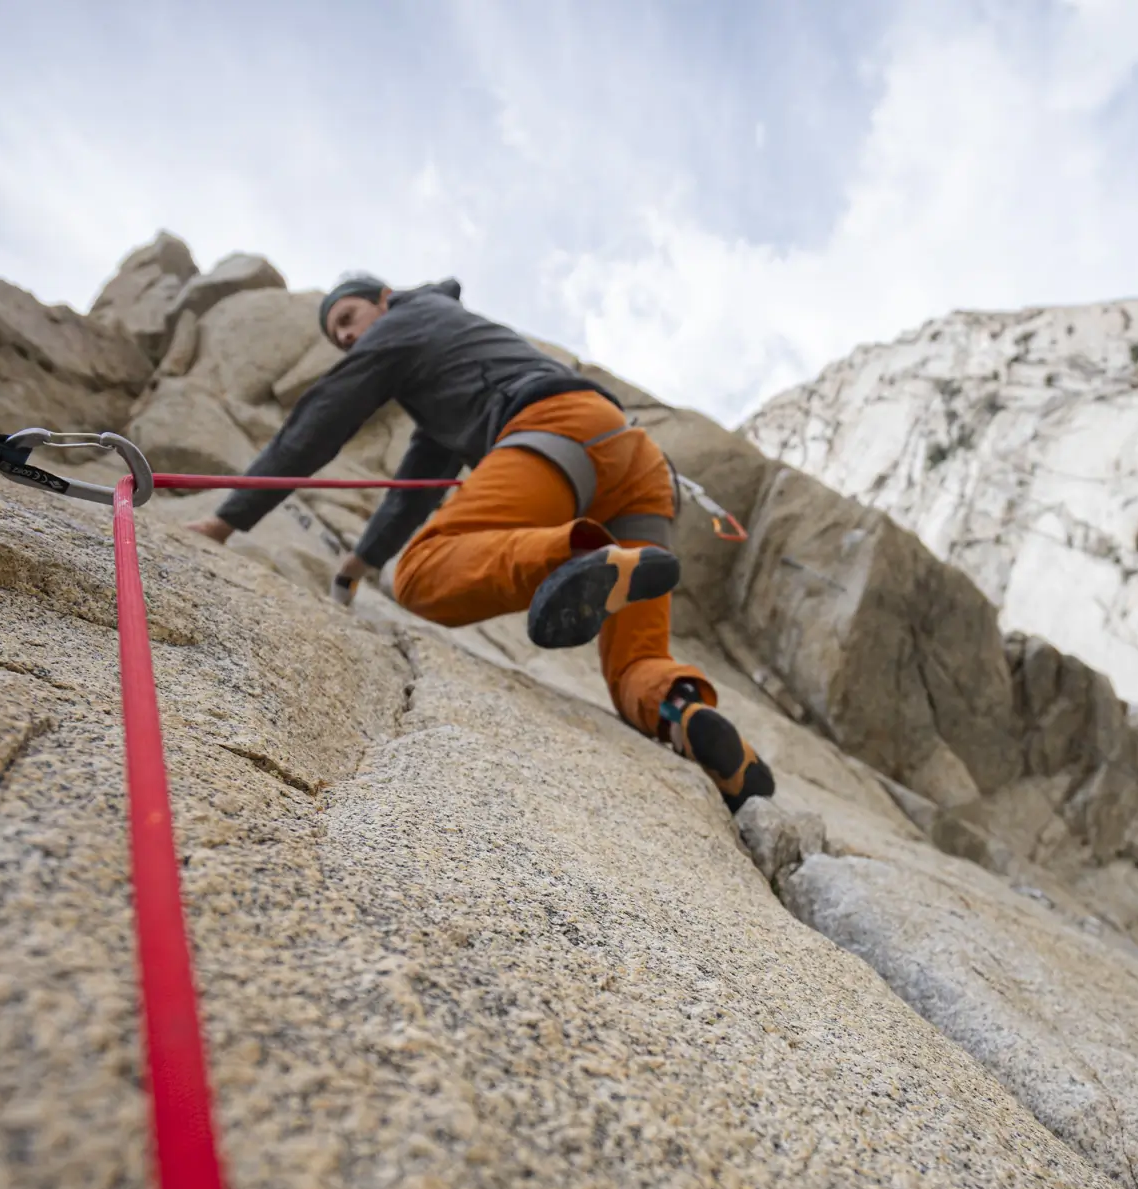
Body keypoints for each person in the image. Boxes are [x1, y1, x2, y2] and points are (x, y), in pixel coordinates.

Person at [185, 274, 775, 812]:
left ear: (384, 301)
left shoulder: (404, 322)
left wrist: (224, 523)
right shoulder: (442, 361)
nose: (345, 338)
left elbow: (319, 420)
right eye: (337, 334)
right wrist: (356, 565)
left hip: (558, 432)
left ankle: (584, 556)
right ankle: (682, 713)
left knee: (421, 574)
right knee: (636, 664)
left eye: (347, 319)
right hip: (639, 463)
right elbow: (413, 489)